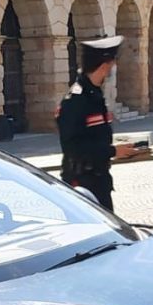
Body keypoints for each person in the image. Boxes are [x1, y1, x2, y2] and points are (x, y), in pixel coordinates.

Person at [56, 35, 141, 210]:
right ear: (105, 65)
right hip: (81, 182)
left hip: (99, 178)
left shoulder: (94, 94)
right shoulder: (76, 99)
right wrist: (113, 151)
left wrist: (117, 148)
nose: (113, 67)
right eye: (113, 62)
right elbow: (73, 147)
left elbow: (92, 136)